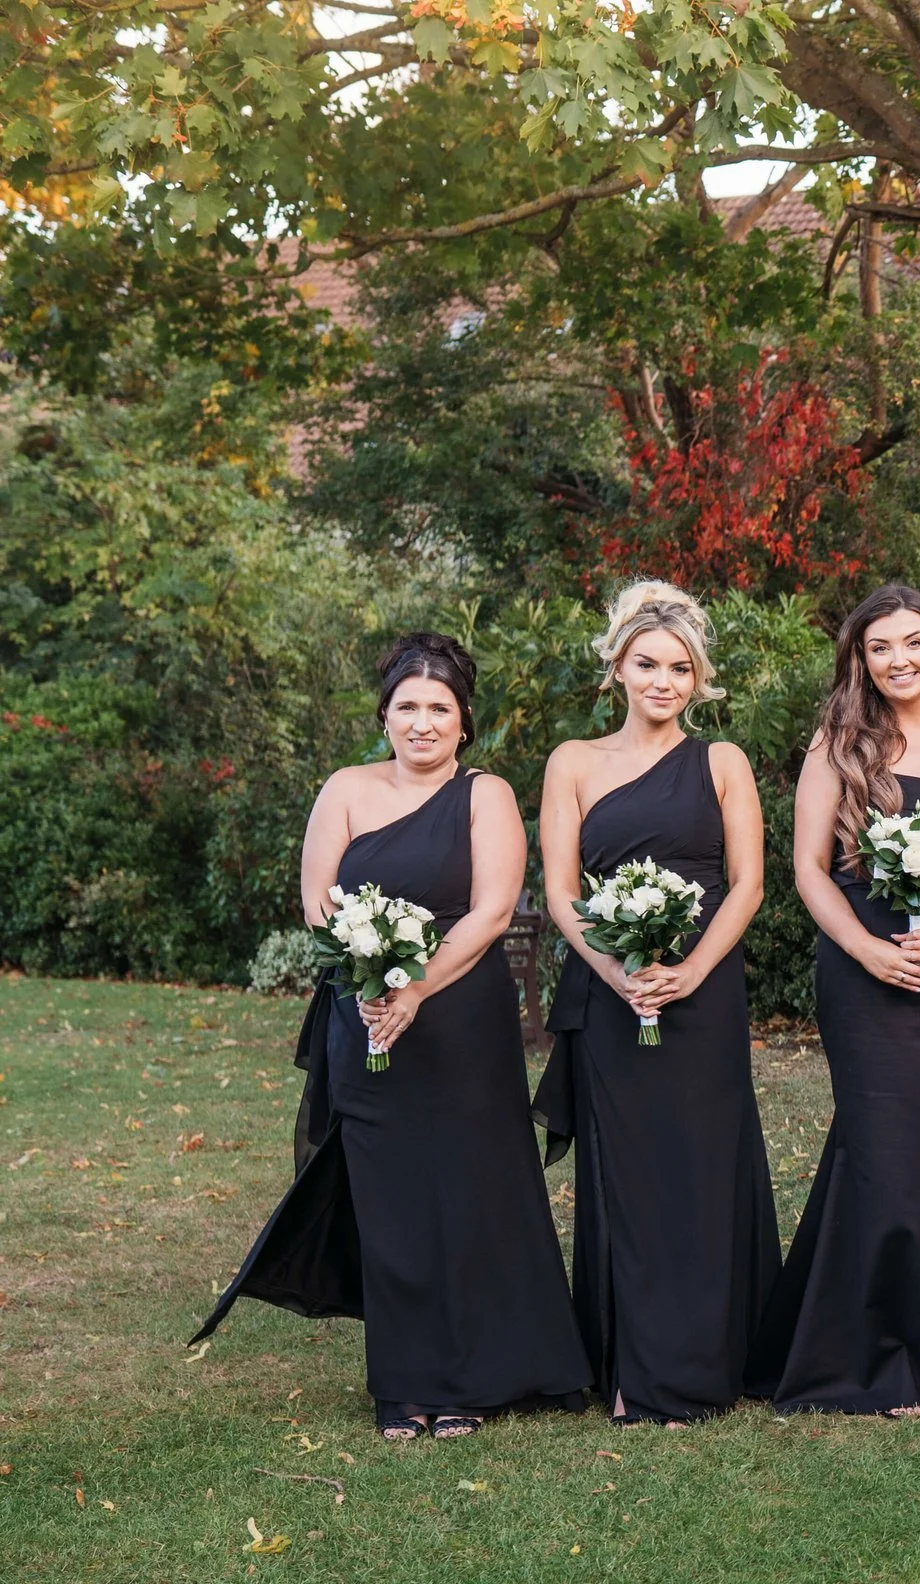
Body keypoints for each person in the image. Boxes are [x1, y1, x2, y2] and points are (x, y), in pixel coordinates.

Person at [194, 633, 588, 1440]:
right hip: (363, 1012)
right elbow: (316, 901)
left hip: (461, 1024)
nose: (422, 722)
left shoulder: (485, 794)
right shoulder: (344, 788)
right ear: (385, 714)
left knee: (467, 1194)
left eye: (439, 708)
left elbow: (491, 909)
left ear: (464, 721)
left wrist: (417, 983)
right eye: (407, 706)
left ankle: (473, 1377)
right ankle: (403, 1384)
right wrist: (373, 975)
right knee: (393, 1201)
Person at [746, 585, 920, 1415]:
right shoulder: (838, 742)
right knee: (881, 1142)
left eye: (913, 642)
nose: (898, 659)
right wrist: (868, 949)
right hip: (861, 968)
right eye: (880, 647)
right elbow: (807, 867)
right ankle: (883, 1352)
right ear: (860, 659)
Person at [533, 582, 779, 1426]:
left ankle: (708, 1359)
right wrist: (617, 971)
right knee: (628, 1177)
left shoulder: (722, 762)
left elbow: (747, 885)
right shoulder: (572, 762)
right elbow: (562, 893)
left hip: (703, 999)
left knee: (703, 1173)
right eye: (648, 664)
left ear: (699, 679)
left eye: (681, 668)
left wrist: (691, 971)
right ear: (618, 667)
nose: (664, 680)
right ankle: (633, 1367)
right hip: (612, 996)